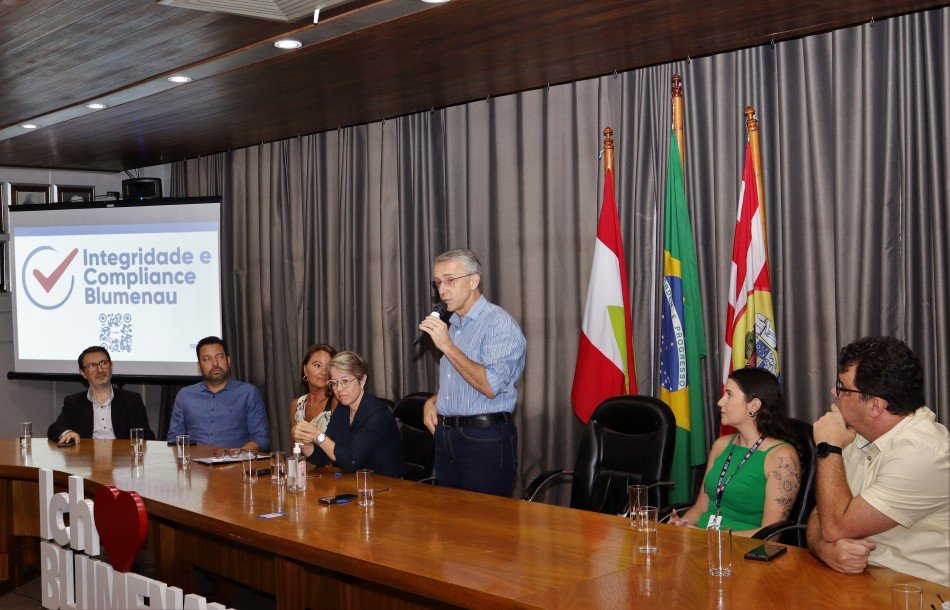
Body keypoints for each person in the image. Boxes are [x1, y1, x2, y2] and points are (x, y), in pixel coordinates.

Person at [807, 336, 949, 586]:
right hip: (860, 583)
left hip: (917, 591)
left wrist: (828, 447)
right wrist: (823, 549)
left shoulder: (923, 452)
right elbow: (821, 512)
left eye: (842, 388)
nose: (833, 392)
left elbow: (834, 526)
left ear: (875, 406)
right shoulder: (861, 434)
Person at [417, 248, 527, 497]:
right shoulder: (454, 324)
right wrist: (433, 401)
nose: (442, 290)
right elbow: (462, 379)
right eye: (438, 282)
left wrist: (447, 346)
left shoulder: (498, 323)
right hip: (446, 437)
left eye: (450, 280)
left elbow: (489, 385)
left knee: (484, 519)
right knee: (449, 517)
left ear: (474, 280)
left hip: (484, 439)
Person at [668, 367, 801, 536]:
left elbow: (771, 536)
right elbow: (700, 508)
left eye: (729, 395)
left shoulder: (782, 457)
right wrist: (682, 525)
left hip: (742, 548)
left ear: (754, 405)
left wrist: (707, 537)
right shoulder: (721, 445)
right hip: (701, 540)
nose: (720, 402)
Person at [292, 351, 405, 477]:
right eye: (334, 383)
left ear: (362, 381)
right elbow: (322, 457)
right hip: (358, 482)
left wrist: (318, 435)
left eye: (345, 381)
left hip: (388, 484)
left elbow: (351, 461)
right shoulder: (343, 408)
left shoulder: (377, 412)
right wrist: (302, 440)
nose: (339, 389)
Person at [166, 336, 270, 452]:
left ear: (228, 361)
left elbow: (261, 439)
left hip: (237, 461)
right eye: (207, 359)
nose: (215, 364)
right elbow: (174, 439)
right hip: (194, 462)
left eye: (220, 357)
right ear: (199, 366)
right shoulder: (185, 396)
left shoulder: (248, 393)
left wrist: (235, 455)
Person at [47, 346, 155, 445]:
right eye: (92, 366)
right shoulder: (74, 402)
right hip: (87, 457)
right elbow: (55, 428)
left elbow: (147, 436)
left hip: (122, 457)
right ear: (83, 373)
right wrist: (67, 432)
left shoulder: (132, 400)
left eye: (103, 363)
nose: (100, 370)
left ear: (111, 366)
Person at [289, 344, 338, 436]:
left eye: (328, 367)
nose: (323, 372)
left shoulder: (337, 402)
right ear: (305, 369)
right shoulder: (296, 405)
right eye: (317, 365)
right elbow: (295, 444)